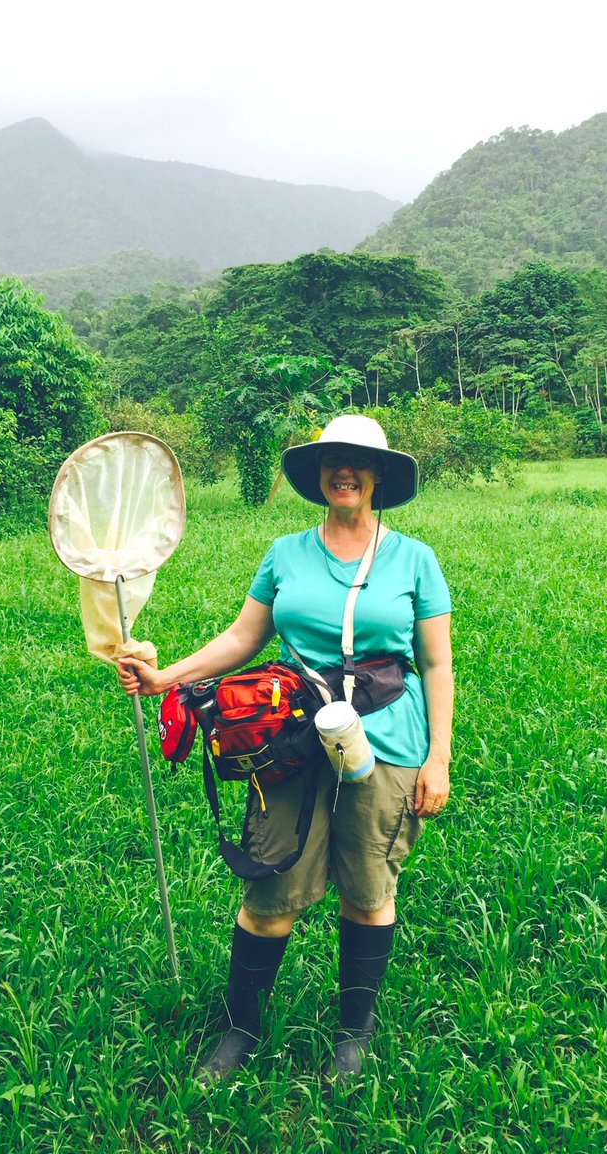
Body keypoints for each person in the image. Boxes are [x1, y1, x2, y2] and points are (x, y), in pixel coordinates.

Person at [118, 414, 453, 1081]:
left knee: (367, 889)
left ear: (378, 476)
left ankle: (350, 1037)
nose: (344, 471)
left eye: (357, 461)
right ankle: (239, 1031)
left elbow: (435, 665)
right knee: (270, 892)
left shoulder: (415, 559)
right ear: (318, 475)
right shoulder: (286, 553)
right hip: (291, 742)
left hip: (387, 740)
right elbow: (243, 638)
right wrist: (168, 676)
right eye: (332, 460)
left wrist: (438, 757)